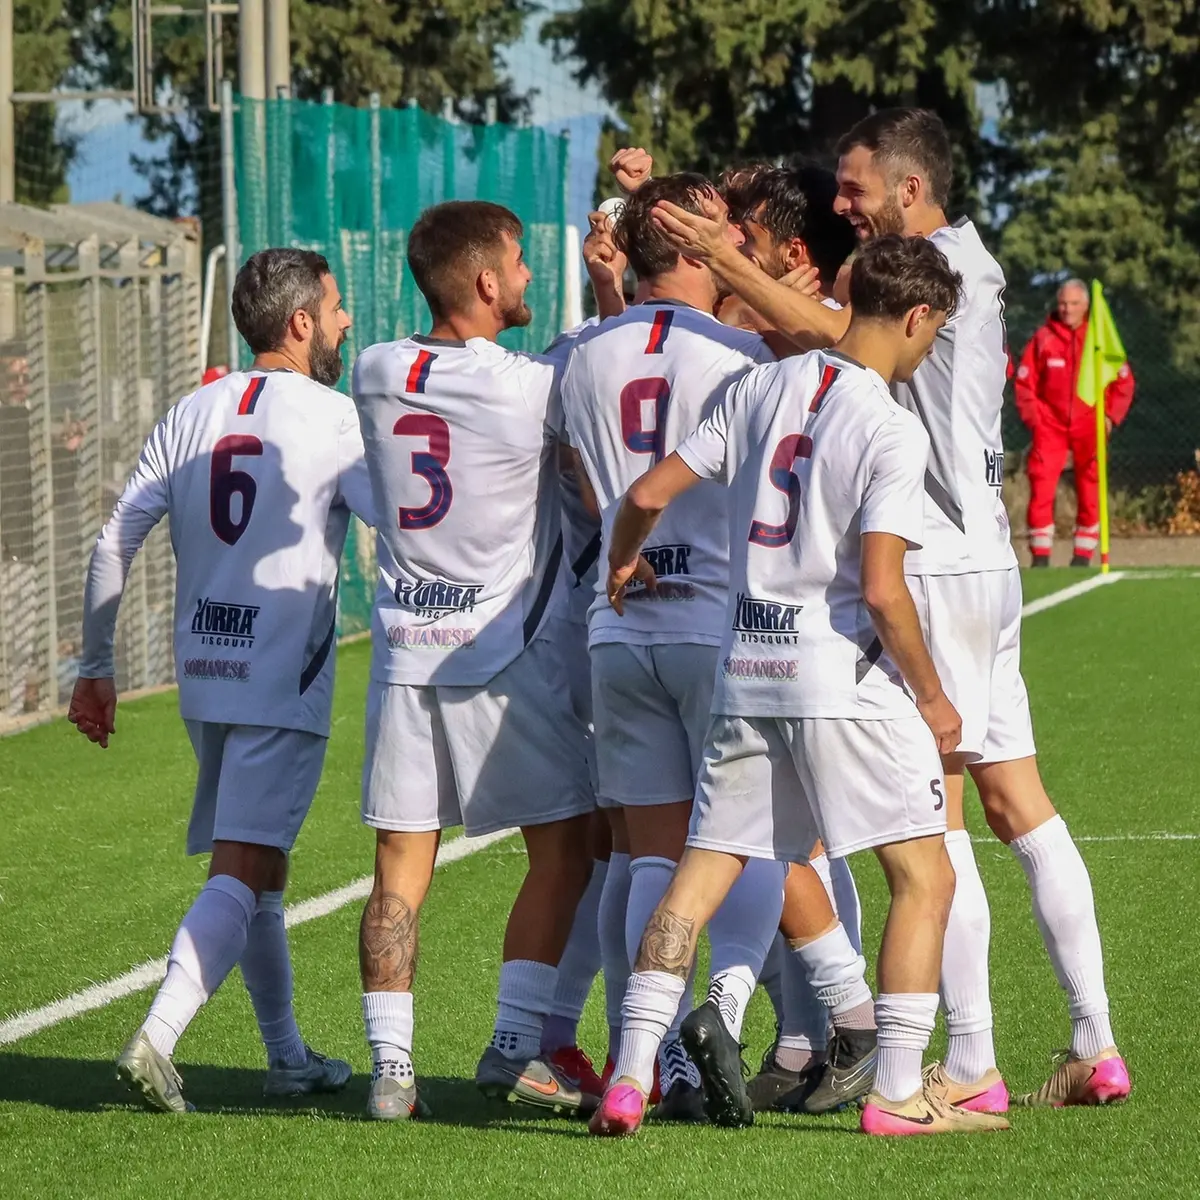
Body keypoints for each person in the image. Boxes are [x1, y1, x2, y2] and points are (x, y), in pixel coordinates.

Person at [652, 107, 1130, 1114]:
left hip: (937, 570)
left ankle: (970, 1064)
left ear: (910, 193)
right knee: (1019, 804)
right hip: (986, 567)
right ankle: (1095, 1039)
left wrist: (714, 258)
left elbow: (833, 333)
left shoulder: (935, 277)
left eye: (857, 187)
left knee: (936, 826)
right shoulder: (964, 261)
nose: (841, 205)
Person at [590, 234, 1010, 1138]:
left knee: (695, 881)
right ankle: (898, 1094)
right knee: (924, 873)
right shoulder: (889, 426)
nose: (931, 348)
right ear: (918, 317)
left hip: (747, 669)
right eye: (934, 334)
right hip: (837, 675)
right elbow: (886, 589)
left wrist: (621, 566)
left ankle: (629, 1075)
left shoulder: (757, 387)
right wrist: (933, 698)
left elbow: (648, 492)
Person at [68, 248, 369, 1112]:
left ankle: (287, 1057)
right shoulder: (336, 416)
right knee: (244, 866)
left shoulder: (192, 409)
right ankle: (158, 1039)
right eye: (337, 307)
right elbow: (409, 522)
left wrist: (96, 668)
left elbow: (110, 542)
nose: (345, 322)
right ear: (301, 322)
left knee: (262, 868)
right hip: (283, 671)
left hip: (204, 669)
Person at [352, 200, 596, 1123]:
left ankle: (391, 1072)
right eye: (521, 264)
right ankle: (510, 1044)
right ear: (487, 282)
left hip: (405, 654)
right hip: (504, 649)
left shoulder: (375, 372)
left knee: (397, 870)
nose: (530, 278)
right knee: (567, 846)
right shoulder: (529, 388)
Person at [561, 172, 789, 1124]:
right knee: (752, 839)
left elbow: (577, 475)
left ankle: (637, 1063)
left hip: (618, 625)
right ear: (696, 243)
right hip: (718, 627)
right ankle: (730, 1027)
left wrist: (623, 547)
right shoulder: (744, 352)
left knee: (647, 860)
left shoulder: (575, 354)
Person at [1015, 279, 1136, 566]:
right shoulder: (1043, 338)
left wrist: (1109, 417)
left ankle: (1082, 557)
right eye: (1062, 303)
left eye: (1073, 304)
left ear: (1086, 306)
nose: (1067, 309)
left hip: (1089, 425)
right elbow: (1024, 384)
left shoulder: (1099, 340)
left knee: (1090, 488)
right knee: (1042, 486)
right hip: (1050, 426)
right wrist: (1036, 420)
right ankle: (1041, 557)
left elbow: (1124, 382)